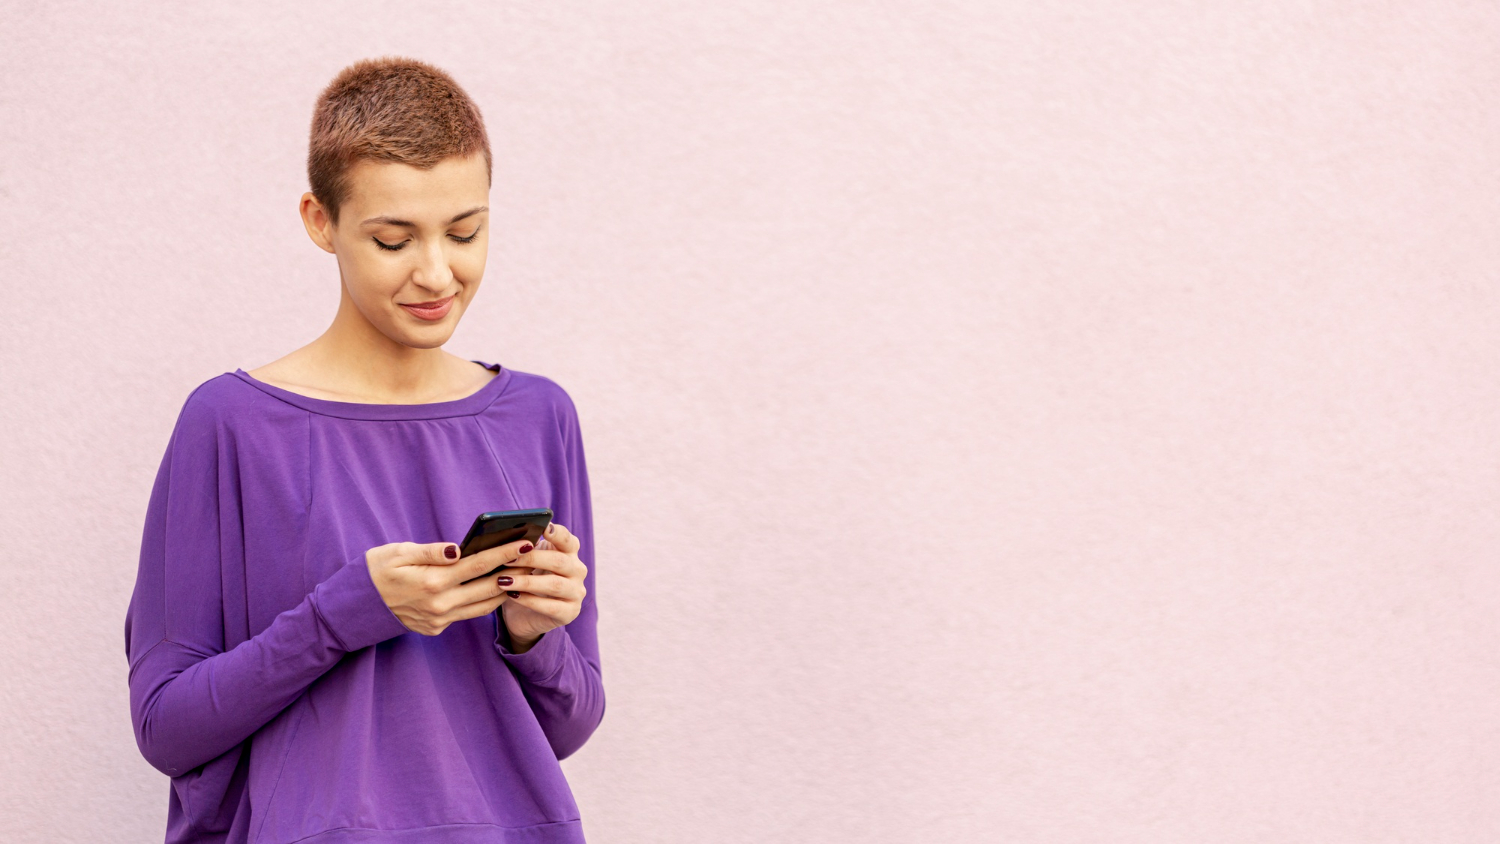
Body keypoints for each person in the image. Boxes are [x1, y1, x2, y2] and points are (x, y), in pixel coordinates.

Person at [123, 56, 604, 844]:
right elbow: (165, 728)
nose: (437, 273)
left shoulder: (537, 416)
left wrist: (531, 634)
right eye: (392, 239)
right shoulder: (232, 424)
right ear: (321, 222)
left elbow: (568, 726)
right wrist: (345, 614)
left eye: (465, 232)